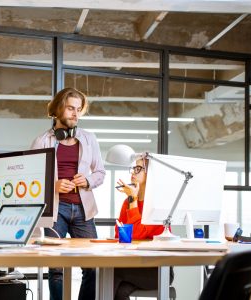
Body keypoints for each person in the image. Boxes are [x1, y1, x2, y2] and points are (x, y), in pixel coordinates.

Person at [31, 87, 106, 300]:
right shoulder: (41, 141)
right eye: (70, 108)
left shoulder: (89, 139)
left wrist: (88, 180)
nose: (75, 113)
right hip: (56, 211)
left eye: (79, 109)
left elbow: (100, 172)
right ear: (57, 110)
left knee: (92, 267)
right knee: (56, 269)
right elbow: (32, 179)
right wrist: (52, 185)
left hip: (84, 210)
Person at [114, 156, 174, 300]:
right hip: (134, 265)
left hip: (158, 270)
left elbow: (138, 234)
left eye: (139, 168)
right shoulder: (127, 202)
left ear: (151, 173)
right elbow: (119, 234)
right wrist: (131, 200)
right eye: (133, 168)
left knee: (111, 272)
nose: (133, 173)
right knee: (119, 292)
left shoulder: (157, 204)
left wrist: (133, 200)